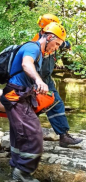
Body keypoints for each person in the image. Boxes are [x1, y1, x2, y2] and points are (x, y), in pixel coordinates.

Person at [0, 22, 66, 182]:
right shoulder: (33, 48)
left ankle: (16, 166)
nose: (56, 48)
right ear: (49, 37)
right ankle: (23, 172)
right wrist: (38, 80)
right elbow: (26, 64)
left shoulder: (39, 52)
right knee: (34, 133)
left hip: (16, 94)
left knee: (19, 132)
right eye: (56, 43)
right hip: (15, 94)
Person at [33, 14, 82, 147]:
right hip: (36, 79)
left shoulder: (54, 39)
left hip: (46, 79)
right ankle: (28, 136)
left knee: (57, 103)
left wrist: (67, 45)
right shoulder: (36, 44)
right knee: (34, 107)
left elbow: (64, 43)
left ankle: (63, 135)